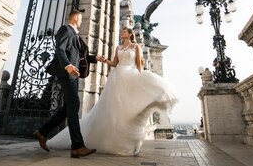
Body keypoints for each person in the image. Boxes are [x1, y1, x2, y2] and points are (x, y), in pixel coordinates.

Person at [46, 26, 177, 156]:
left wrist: (140, 79)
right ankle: (120, 141)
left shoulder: (136, 47)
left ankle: (134, 142)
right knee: (117, 110)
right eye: (122, 31)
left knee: (131, 108)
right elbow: (114, 63)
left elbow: (139, 64)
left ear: (130, 34)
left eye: (124, 32)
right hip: (118, 77)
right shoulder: (118, 48)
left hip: (131, 77)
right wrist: (104, 60)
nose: (122, 33)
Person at [33, 9, 103, 159]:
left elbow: (80, 55)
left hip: (73, 72)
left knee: (69, 107)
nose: (82, 21)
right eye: (81, 18)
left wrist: (95, 58)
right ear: (76, 18)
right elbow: (60, 49)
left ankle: (42, 132)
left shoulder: (75, 34)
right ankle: (77, 146)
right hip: (67, 72)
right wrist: (67, 66)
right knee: (73, 105)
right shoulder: (66, 29)